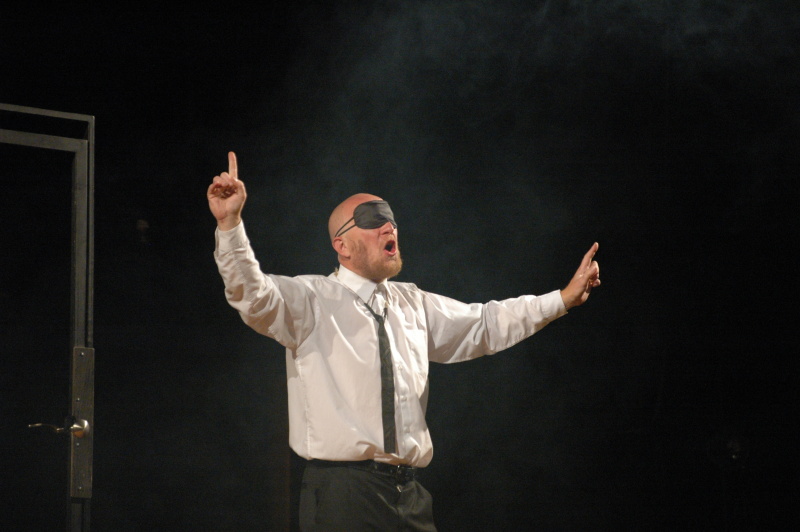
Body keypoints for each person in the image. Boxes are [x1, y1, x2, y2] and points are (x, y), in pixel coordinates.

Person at [208, 151, 600, 531]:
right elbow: (252, 295)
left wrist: (562, 299)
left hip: (409, 495)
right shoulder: (311, 300)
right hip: (344, 496)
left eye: (390, 218)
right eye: (372, 219)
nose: (389, 227)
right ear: (342, 246)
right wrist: (230, 226)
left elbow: (485, 322)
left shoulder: (411, 303)